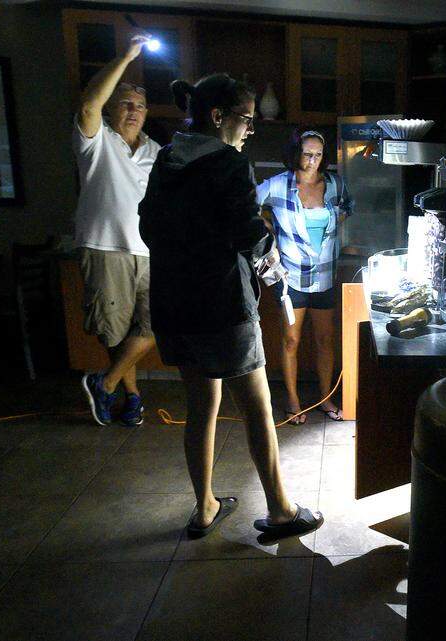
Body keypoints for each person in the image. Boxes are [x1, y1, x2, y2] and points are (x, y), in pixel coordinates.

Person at [138, 73, 323, 539]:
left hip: (174, 307)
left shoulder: (167, 161)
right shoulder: (228, 163)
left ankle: (204, 508)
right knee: (258, 406)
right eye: (245, 119)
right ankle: (282, 510)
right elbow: (247, 234)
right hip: (222, 305)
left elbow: (147, 228)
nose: (249, 129)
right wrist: (272, 263)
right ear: (218, 117)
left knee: (202, 403)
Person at [73, 34, 161, 427]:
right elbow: (89, 103)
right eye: (125, 103)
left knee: (155, 324)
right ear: (110, 108)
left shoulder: (155, 151)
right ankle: (132, 398)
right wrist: (126, 56)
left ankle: (105, 384)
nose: (133, 110)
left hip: (150, 252)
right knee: (114, 332)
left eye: (140, 106)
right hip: (106, 247)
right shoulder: (95, 141)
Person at [255, 130, 353, 424]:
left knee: (325, 339)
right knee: (290, 340)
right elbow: (247, 204)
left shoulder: (335, 184)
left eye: (318, 155)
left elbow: (347, 208)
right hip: (291, 277)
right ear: (296, 153)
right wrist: (271, 228)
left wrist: (329, 232)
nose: (312, 160)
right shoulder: (279, 185)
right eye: (307, 154)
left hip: (325, 276)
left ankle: (326, 399)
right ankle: (293, 400)